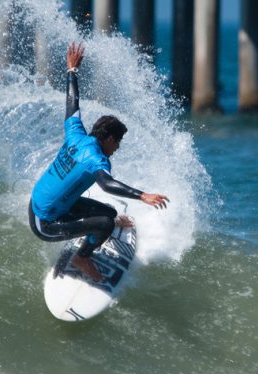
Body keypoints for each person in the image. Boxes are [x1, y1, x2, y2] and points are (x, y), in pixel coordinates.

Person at [29, 42, 169, 281]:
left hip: (43, 202)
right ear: (110, 138)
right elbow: (106, 184)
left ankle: (90, 234)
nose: (117, 148)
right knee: (105, 223)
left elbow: (72, 103)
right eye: (118, 142)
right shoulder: (95, 158)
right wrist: (142, 195)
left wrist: (71, 71)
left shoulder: (76, 134)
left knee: (110, 213)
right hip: (45, 222)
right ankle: (82, 257)